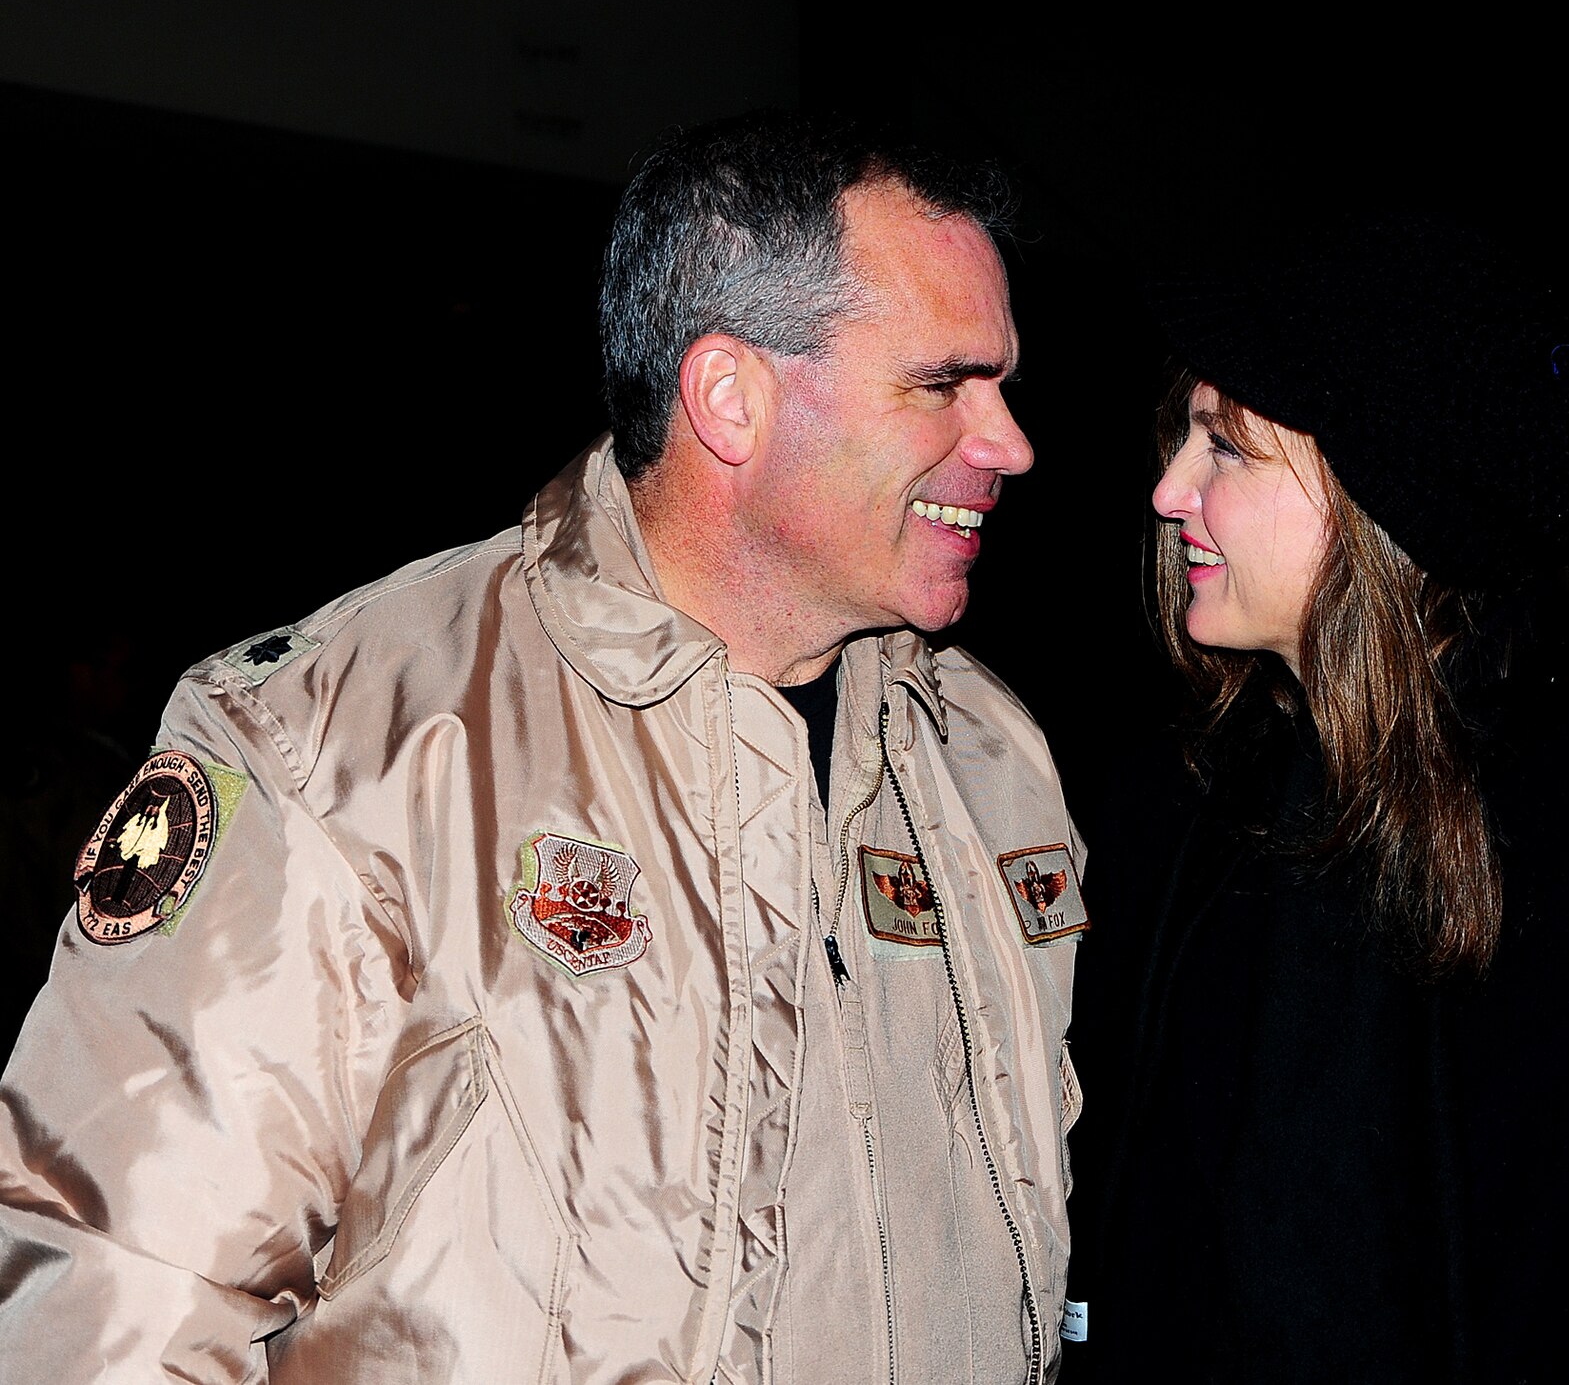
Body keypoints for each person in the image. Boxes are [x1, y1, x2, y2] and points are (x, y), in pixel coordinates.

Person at [0, 111, 1089, 1384]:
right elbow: (115, 1300)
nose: (1009, 441)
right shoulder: (342, 746)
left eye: (1002, 382)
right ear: (730, 399)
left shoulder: (984, 761)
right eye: (943, 382)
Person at [1062, 215, 1569, 1382]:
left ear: (1390, 492)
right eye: (1181, 435)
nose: (1170, 490)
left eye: (1224, 446)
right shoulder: (1163, 825)